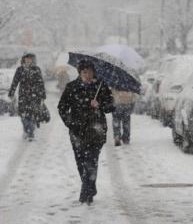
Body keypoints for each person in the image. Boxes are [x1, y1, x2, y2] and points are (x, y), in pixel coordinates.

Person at [58, 60, 114, 205]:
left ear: (94, 72)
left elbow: (111, 106)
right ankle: (90, 185)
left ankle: (86, 191)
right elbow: (62, 107)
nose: (88, 75)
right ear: (79, 73)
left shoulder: (101, 86)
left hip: (96, 130)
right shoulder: (72, 87)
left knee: (92, 161)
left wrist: (100, 105)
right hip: (77, 131)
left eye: (90, 72)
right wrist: (70, 123)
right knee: (80, 162)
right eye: (84, 72)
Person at [8, 53, 46, 141]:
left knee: (32, 115)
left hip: (34, 96)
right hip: (23, 96)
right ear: (24, 59)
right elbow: (15, 82)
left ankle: (31, 134)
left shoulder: (36, 69)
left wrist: (43, 95)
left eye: (30, 58)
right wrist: (11, 93)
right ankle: (26, 130)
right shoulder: (20, 69)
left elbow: (41, 83)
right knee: (23, 115)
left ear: (33, 60)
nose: (28, 60)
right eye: (27, 58)